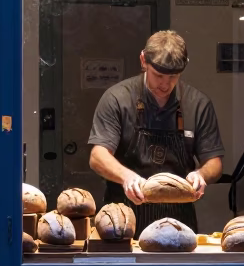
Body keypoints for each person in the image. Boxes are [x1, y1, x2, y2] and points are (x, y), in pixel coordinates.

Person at [88, 30, 224, 236]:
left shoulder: (197, 104)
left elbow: (214, 162)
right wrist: (127, 177)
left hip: (179, 218)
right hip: (124, 215)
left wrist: (201, 175)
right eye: (158, 75)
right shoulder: (117, 99)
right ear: (144, 61)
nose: (165, 84)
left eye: (173, 77)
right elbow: (97, 157)